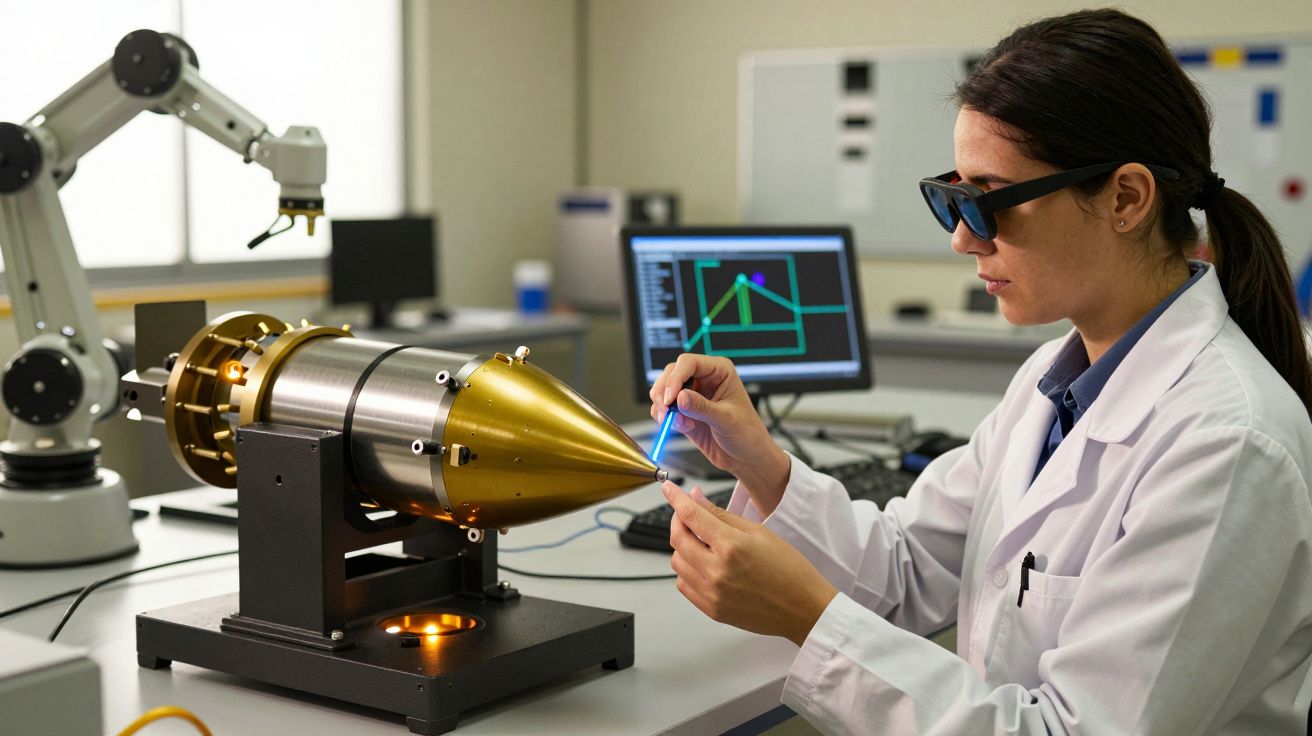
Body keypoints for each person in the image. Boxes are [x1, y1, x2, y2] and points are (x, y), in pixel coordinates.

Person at [649, 9, 1312, 734]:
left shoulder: (1227, 444)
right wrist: (765, 465)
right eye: (951, 198)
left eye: (989, 202)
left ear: (1125, 198)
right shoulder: (1050, 385)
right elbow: (906, 567)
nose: (964, 238)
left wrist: (809, 618)